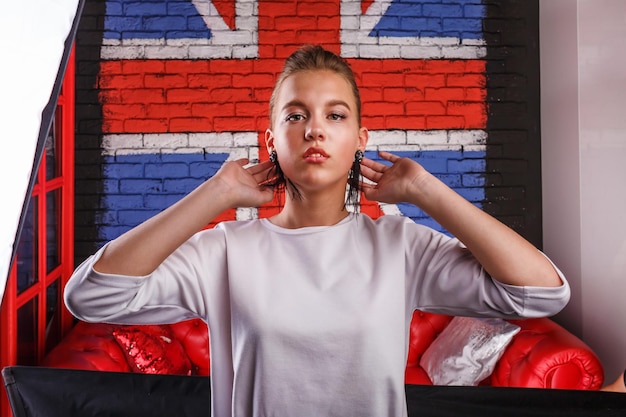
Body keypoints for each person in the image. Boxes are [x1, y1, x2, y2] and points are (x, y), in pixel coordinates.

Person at [64, 45, 570, 417]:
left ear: (359, 139)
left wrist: (426, 191)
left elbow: (542, 294)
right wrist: (213, 196)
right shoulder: (224, 252)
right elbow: (91, 297)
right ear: (271, 139)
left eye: (335, 115)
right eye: (296, 115)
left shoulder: (400, 247)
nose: (315, 129)